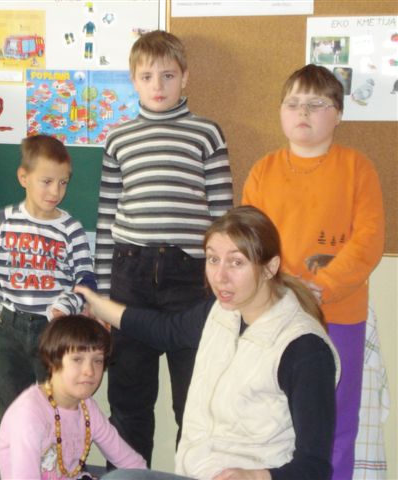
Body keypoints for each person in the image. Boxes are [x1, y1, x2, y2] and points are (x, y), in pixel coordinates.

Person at [77, 205, 341, 480]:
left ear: (270, 267)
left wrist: (255, 476)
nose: (219, 276)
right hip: (197, 474)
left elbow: (314, 467)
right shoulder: (219, 313)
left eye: (236, 263)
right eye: (213, 259)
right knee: (120, 478)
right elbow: (165, 330)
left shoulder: (304, 349)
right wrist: (98, 305)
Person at [93, 30, 233, 465]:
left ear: (185, 78)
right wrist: (102, 297)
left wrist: (224, 282)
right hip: (129, 275)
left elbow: (224, 219)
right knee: (129, 399)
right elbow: (106, 219)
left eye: (168, 76)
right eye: (147, 76)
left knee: (193, 401)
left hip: (189, 279)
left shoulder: (206, 133)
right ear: (133, 81)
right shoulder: (118, 138)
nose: (158, 86)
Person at [242, 64, 385, 480]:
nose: (302, 112)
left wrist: (321, 286)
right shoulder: (264, 170)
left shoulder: (357, 168)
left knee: (335, 419)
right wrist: (284, 289)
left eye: (316, 104)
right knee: (273, 416)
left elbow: (369, 240)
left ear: (338, 114)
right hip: (274, 313)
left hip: (338, 315)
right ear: (281, 112)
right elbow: (250, 240)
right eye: (293, 103)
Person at [0, 134, 96, 424]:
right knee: (13, 411)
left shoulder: (70, 228)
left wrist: (66, 305)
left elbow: (86, 281)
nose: (56, 191)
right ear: (23, 177)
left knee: (58, 411)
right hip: (9, 327)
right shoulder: (2, 220)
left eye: (63, 182)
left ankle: (64, 456)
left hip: (52, 329)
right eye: (46, 181)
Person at [0, 314, 147, 479]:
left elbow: (130, 462)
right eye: (77, 359)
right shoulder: (29, 414)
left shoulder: (87, 407)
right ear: (52, 360)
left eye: (97, 361)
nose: (89, 371)